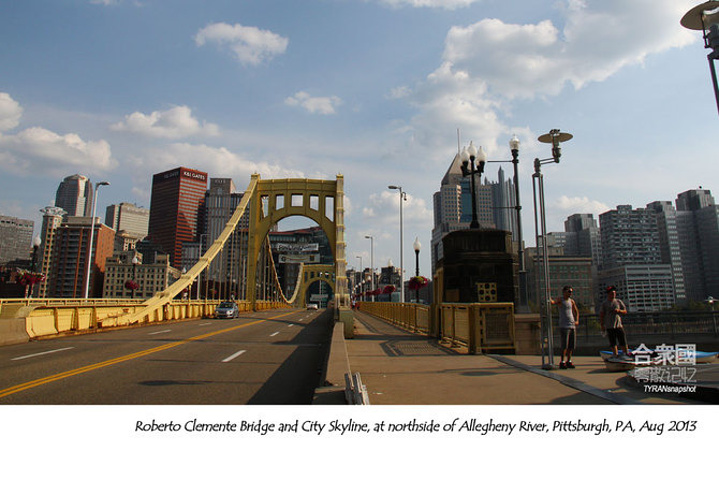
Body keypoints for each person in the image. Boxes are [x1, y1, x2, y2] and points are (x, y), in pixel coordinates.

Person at [551, 285, 579, 369]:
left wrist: (576, 320)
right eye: (569, 291)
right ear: (564, 292)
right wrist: (549, 299)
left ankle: (569, 360)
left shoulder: (572, 301)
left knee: (571, 345)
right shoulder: (561, 300)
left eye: (571, 292)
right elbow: (553, 303)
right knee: (564, 345)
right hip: (564, 325)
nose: (570, 293)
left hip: (572, 325)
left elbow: (576, 311)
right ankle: (562, 361)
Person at [599, 285, 630, 357]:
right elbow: (602, 314)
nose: (613, 295)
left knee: (622, 341)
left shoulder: (618, 301)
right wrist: (602, 325)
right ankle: (615, 354)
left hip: (618, 325)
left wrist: (619, 311)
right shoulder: (605, 304)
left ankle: (626, 353)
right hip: (609, 326)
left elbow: (625, 311)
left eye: (614, 293)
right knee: (613, 342)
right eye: (611, 294)